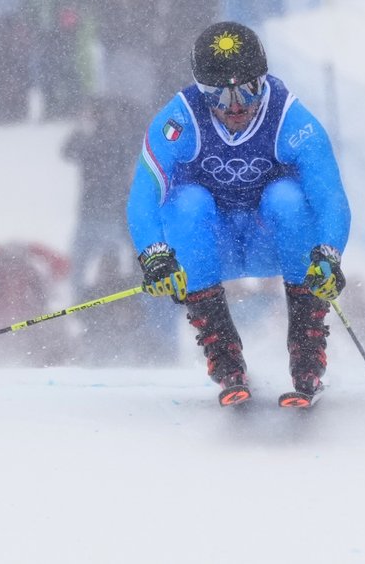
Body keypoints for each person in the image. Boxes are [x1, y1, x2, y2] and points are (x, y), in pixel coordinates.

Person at [126, 22, 351, 406]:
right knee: (185, 202)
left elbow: (331, 198)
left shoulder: (290, 120)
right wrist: (155, 255)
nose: (235, 105)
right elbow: (143, 198)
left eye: (249, 89)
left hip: (275, 245)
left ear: (264, 80)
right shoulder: (180, 120)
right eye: (218, 94)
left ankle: (307, 346)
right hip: (211, 251)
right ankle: (223, 351)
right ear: (201, 91)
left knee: (287, 198)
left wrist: (329, 254)